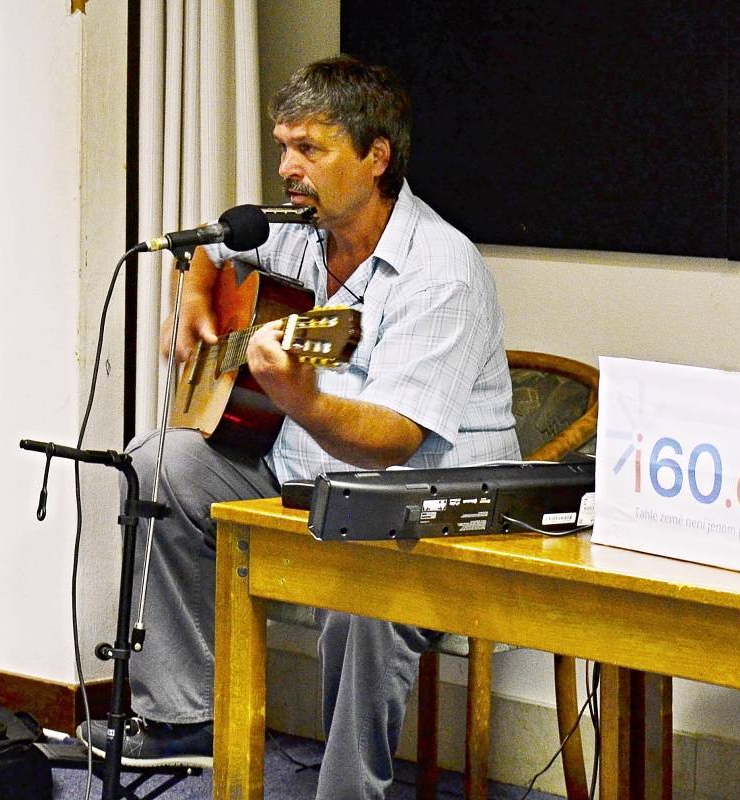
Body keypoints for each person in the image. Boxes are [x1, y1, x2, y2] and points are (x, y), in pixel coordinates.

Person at [78, 54, 520, 799]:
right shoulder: (295, 232)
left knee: (362, 600)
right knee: (157, 462)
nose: (287, 167)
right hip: (306, 482)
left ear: (376, 156)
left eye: (309, 148)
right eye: (283, 146)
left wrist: (300, 399)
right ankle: (187, 718)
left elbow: (393, 440)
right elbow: (208, 251)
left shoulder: (442, 271)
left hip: (424, 511)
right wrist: (195, 302)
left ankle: (348, 790)